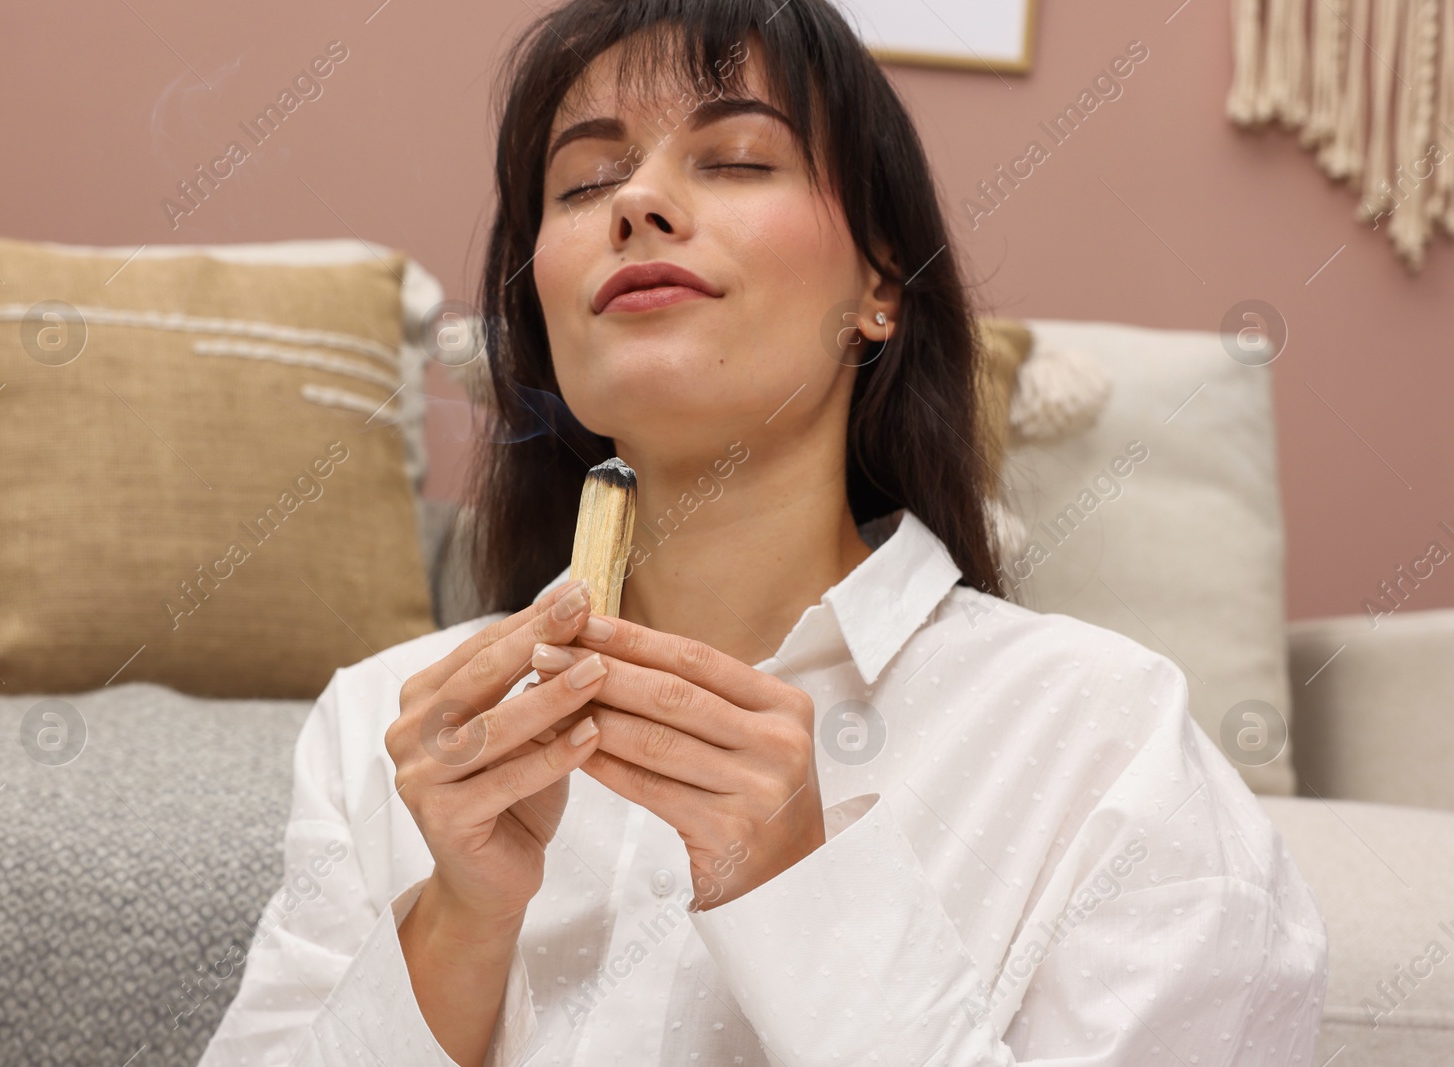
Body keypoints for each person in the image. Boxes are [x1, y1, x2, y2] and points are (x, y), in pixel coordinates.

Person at [198, 1, 1328, 1064]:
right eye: (585, 180)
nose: (636, 202)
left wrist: (800, 888)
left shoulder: (1104, 739)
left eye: (735, 159)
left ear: (882, 282)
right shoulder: (380, 726)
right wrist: (455, 919)